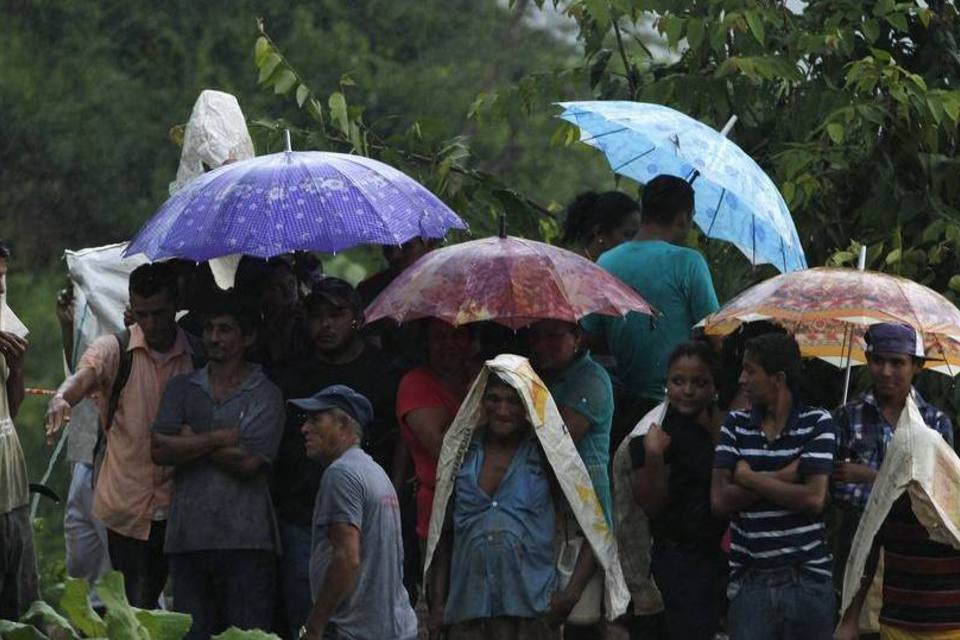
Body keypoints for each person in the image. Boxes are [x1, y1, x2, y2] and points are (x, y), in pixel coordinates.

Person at [44, 262, 200, 607]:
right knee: (135, 605)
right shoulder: (115, 349)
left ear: (175, 307)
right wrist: (60, 398)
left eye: (159, 313)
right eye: (142, 314)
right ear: (131, 308)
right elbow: (84, 375)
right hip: (126, 508)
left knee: (176, 607)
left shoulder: (196, 355)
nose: (151, 324)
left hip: (180, 507)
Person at [272, 277, 400, 638]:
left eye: (336, 314)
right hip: (302, 513)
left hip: (360, 515)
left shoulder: (380, 373)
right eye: (315, 316)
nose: (325, 324)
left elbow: (348, 558)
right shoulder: (297, 371)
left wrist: (313, 626)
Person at [150, 293, 283, 638]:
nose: (214, 338)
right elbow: (160, 448)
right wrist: (221, 438)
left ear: (248, 337)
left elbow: (250, 461)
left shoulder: (264, 392)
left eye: (226, 330)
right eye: (209, 329)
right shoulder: (182, 387)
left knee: (247, 635)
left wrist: (190, 438)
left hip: (247, 540)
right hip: (188, 538)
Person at [428, 374, 597, 640]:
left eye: (513, 401)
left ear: (528, 406)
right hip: (467, 616)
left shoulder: (547, 455)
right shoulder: (461, 455)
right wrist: (438, 606)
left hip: (532, 615)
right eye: (493, 399)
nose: (503, 410)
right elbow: (444, 533)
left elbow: (594, 522)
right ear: (480, 402)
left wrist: (570, 596)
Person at [711, 332, 836, 639]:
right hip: (751, 579)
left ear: (777, 378)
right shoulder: (736, 424)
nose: (742, 379)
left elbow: (813, 499)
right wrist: (783, 476)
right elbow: (720, 500)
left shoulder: (818, 422)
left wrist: (748, 477)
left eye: (751, 370)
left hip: (806, 578)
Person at [581, 175, 719, 451]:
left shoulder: (607, 260)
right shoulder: (688, 262)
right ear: (683, 218)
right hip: (677, 406)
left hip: (621, 405)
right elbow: (715, 334)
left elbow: (592, 334)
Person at [292, 384, 417, 640]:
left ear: (343, 424)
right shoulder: (375, 472)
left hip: (357, 631)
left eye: (316, 420)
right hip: (394, 629)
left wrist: (314, 626)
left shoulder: (341, 474)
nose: (305, 428)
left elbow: (347, 558)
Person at [629, 341, 728, 640]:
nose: (687, 391)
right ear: (666, 383)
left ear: (714, 386)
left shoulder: (725, 426)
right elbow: (650, 505)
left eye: (699, 382)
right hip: (671, 558)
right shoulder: (653, 428)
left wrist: (717, 438)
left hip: (716, 557)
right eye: (678, 381)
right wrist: (654, 456)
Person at [55, 284, 112, 600]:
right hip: (86, 458)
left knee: (125, 575)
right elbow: (80, 370)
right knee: (82, 563)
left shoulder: (136, 344)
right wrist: (69, 327)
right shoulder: (97, 348)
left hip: (119, 466)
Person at [0, 240, 39, 620]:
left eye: (2, 278)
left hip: (11, 489)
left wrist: (19, 367)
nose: (0, 288)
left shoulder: (3, 319)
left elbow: (11, 409)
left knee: (22, 611)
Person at [561, 191, 642, 261]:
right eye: (627, 234)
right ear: (600, 232)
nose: (634, 242)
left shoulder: (619, 269)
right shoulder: (571, 265)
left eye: (636, 236)